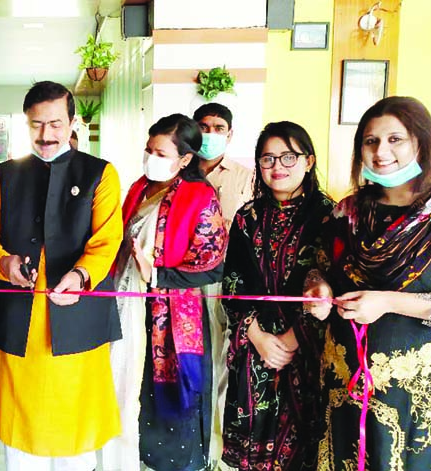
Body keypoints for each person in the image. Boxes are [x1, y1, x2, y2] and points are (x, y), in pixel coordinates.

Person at [0, 81, 123, 471]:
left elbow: (107, 241)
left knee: (76, 435)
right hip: (18, 323)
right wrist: (3, 263)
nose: (46, 135)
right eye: (36, 124)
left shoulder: (100, 174)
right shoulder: (6, 175)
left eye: (55, 124)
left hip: (78, 323)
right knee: (21, 440)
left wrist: (82, 275)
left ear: (73, 122)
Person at [304, 96, 431, 470]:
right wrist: (319, 290)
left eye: (395, 139)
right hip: (347, 387)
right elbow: (318, 269)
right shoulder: (349, 211)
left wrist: (388, 302)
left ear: (420, 142)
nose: (380, 151)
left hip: (419, 399)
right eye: (370, 141)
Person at [107, 113, 227, 471]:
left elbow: (211, 263)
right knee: (128, 389)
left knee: (170, 400)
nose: (150, 159)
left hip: (172, 318)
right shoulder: (140, 188)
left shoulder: (199, 195)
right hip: (128, 306)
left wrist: (157, 273)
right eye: (148, 150)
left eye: (160, 152)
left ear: (185, 158)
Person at [220, 122, 333, 470]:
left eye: (288, 156)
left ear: (309, 161)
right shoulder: (247, 218)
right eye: (267, 159)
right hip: (255, 351)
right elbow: (232, 282)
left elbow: (333, 283)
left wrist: (290, 339)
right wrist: (257, 337)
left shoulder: (331, 217)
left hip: (308, 352)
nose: (278, 167)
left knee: (304, 448)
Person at [192, 102, 255, 467]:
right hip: (181, 285)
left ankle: (216, 452)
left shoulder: (245, 177)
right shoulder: (179, 173)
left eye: (218, 127)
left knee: (221, 363)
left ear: (229, 135)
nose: (210, 134)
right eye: (203, 126)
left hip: (224, 283)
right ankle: (193, 443)